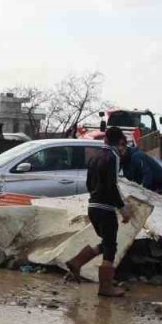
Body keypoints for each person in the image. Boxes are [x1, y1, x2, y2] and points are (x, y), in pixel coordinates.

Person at [63, 127, 132, 297]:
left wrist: (96, 197)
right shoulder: (113, 156)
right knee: (110, 247)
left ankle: (77, 262)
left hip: (93, 206)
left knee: (108, 243)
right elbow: (112, 185)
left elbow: (89, 184)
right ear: (120, 141)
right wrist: (122, 208)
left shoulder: (94, 157)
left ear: (105, 139)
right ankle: (105, 287)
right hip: (105, 208)